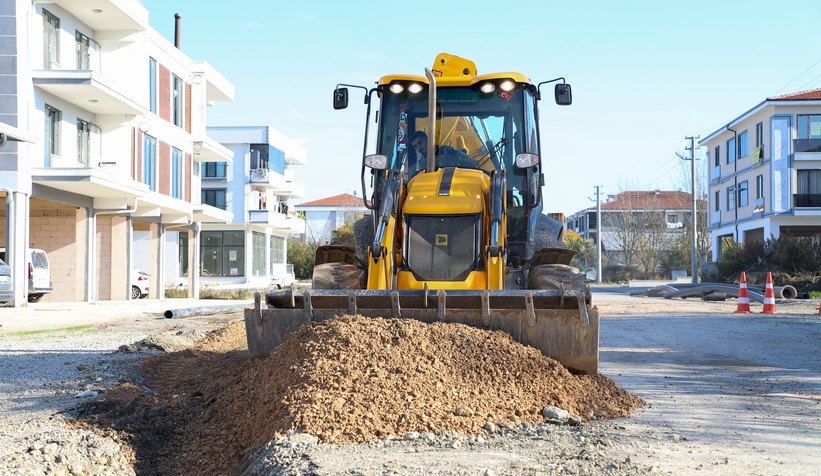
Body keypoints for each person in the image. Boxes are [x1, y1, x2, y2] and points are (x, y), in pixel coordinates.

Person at [408, 131, 475, 176]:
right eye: (415, 146)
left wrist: (468, 158)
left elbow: (461, 156)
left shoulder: (445, 151)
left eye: (420, 143)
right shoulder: (421, 160)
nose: (418, 147)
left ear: (427, 140)